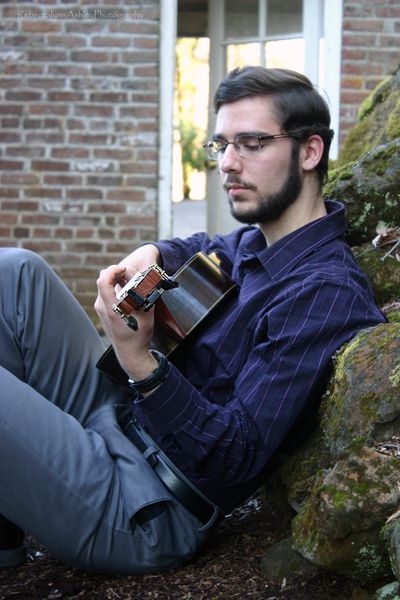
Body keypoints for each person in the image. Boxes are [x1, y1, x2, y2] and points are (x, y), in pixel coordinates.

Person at [0, 66, 385, 573]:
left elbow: (235, 457)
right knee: (15, 272)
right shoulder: (256, 242)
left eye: (250, 143)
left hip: (145, 504)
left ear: (309, 151)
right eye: (221, 144)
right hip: (119, 419)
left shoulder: (323, 295)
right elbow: (202, 247)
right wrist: (151, 252)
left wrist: (140, 361)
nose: (227, 163)